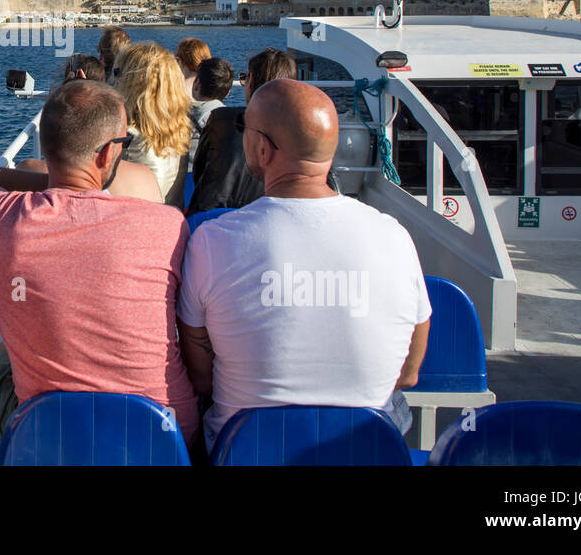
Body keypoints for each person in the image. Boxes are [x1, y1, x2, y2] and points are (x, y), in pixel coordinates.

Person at [0, 79, 200, 447]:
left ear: (47, 148)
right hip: (163, 440)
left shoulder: (3, 220)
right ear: (108, 154)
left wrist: (49, 182)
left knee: (0, 357)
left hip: (50, 441)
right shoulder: (168, 226)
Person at [176, 79, 431, 451]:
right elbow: (408, 372)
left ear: (262, 149)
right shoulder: (393, 236)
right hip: (366, 450)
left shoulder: (213, 240)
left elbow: (201, 377)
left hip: (250, 449)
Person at [186, 47, 295, 215]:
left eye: (245, 78)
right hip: (275, 213)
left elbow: (200, 172)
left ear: (251, 82)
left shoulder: (223, 120)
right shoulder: (296, 132)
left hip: (216, 214)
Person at [114, 41, 193, 207]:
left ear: (133, 84)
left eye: (117, 72)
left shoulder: (130, 141)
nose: (114, 80)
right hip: (169, 221)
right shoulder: (178, 131)